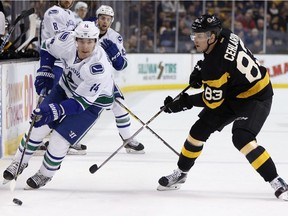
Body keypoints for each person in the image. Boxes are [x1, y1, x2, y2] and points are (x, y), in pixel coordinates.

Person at [157, 14, 288, 201]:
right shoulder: (225, 34)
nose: (196, 39)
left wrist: (183, 103)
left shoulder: (214, 66)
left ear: (212, 36)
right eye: (195, 35)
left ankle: (277, 181)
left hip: (257, 96)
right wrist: (200, 70)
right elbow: (222, 63)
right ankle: (181, 172)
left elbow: (212, 101)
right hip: (235, 92)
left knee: (242, 138)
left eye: (200, 36)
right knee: (197, 132)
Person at [3, 21, 115, 189]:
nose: (85, 46)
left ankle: (45, 174)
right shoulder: (66, 41)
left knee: (58, 139)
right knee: (37, 126)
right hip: (65, 87)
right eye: (81, 41)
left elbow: (80, 103)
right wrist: (45, 69)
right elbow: (47, 47)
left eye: (90, 41)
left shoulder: (98, 67)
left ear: (96, 41)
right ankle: (19, 163)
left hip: (91, 103)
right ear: (75, 39)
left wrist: (55, 110)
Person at [38, 0, 86, 154]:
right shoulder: (54, 12)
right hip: (55, 62)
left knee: (64, 102)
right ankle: (37, 138)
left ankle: (58, 139)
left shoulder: (70, 14)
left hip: (65, 63)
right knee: (52, 101)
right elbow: (61, 39)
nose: (68, 0)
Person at [95, 5, 145, 153]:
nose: (105, 21)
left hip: (104, 79)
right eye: (102, 18)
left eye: (108, 19)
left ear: (111, 21)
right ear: (97, 18)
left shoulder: (115, 37)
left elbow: (122, 65)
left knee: (120, 106)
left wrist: (116, 56)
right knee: (83, 110)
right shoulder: (86, 31)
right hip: (82, 78)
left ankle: (127, 139)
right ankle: (67, 139)